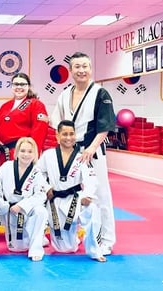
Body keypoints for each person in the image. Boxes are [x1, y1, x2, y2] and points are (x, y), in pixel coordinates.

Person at [50, 52, 116, 256]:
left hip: (91, 151)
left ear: (90, 68)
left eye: (85, 66)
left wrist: (91, 148)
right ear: (70, 71)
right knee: (70, 195)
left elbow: (105, 126)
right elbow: (57, 123)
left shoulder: (100, 93)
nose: (81, 70)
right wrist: (62, 147)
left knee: (100, 195)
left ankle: (106, 240)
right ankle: (76, 235)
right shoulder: (64, 94)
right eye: (77, 67)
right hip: (70, 151)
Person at [36, 120, 106, 262]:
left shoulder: (82, 156)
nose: (68, 137)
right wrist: (46, 187)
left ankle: (95, 251)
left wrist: (88, 195)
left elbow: (91, 179)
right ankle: (72, 239)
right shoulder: (48, 155)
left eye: (71, 134)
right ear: (57, 136)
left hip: (76, 198)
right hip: (55, 199)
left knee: (92, 210)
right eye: (64, 134)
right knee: (65, 248)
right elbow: (37, 174)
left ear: (75, 135)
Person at [0, 137, 49, 261]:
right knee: (16, 248)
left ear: (35, 154)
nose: (26, 155)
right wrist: (4, 206)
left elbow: (41, 195)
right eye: (22, 151)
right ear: (16, 152)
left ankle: (36, 248)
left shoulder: (37, 172)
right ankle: (36, 237)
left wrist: (22, 205)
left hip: (27, 209)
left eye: (29, 151)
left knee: (41, 211)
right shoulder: (6, 167)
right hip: (10, 210)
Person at [0, 73, 49, 168]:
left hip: (22, 153)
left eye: (22, 84)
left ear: (29, 86)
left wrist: (32, 153)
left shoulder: (36, 104)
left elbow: (40, 131)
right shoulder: (5, 106)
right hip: (3, 155)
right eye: (16, 84)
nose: (19, 87)